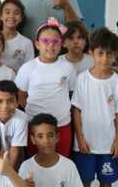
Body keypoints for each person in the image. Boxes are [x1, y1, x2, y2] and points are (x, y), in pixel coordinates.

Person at [71, 28, 118, 187]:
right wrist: (80, 137)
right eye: (101, 53)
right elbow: (76, 110)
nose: (105, 58)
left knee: (106, 181)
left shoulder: (117, 81)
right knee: (85, 181)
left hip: (108, 144)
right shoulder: (82, 78)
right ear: (92, 52)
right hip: (85, 144)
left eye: (110, 54)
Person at [15, 20, 77, 158]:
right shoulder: (27, 68)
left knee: (61, 165)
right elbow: (21, 96)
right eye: (45, 41)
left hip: (62, 125)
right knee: (35, 167)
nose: (51, 45)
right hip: (35, 126)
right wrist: (35, 115)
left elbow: (72, 94)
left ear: (61, 44)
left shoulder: (68, 67)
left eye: (55, 41)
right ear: (37, 44)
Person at [0, 0, 34, 72]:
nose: (11, 16)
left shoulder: (26, 43)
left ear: (21, 18)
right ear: (1, 16)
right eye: (7, 12)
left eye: (16, 13)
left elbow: (29, 70)